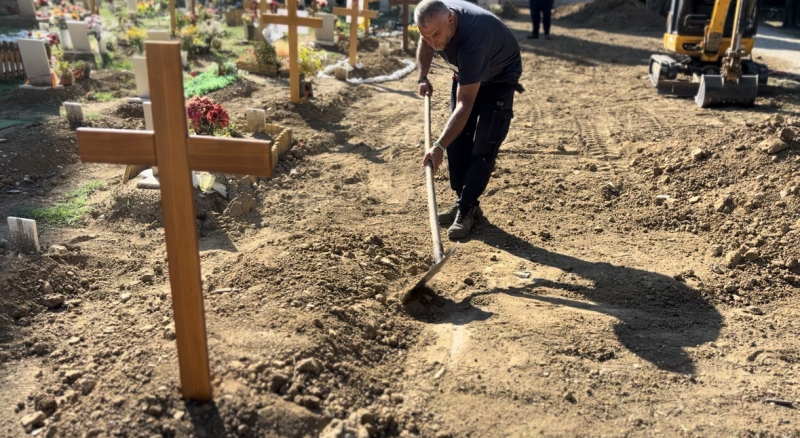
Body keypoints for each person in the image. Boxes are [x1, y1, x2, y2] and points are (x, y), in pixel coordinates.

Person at [415, 0, 523, 240]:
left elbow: (465, 104)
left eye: (436, 35)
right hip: (468, 73)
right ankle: (461, 201)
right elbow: (425, 43)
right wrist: (423, 76)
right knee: (458, 141)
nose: (433, 42)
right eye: (427, 36)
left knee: (484, 144)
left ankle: (467, 207)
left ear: (451, 20)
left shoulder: (474, 40)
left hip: (499, 78)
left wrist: (438, 146)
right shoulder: (435, 22)